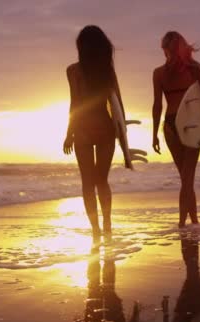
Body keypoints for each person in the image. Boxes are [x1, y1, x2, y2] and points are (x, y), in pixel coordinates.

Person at [151, 31, 200, 228]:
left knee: (185, 178)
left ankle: (193, 222)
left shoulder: (158, 73)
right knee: (187, 178)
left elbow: (157, 106)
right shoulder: (193, 69)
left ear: (165, 50)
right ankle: (183, 225)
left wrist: (155, 134)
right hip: (190, 124)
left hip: (170, 125)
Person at [63, 25, 125, 244]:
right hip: (105, 128)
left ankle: (96, 230)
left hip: (82, 129)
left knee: (87, 183)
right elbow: (117, 103)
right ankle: (107, 224)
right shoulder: (107, 71)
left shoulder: (73, 71)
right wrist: (122, 134)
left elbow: (74, 103)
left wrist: (69, 133)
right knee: (102, 181)